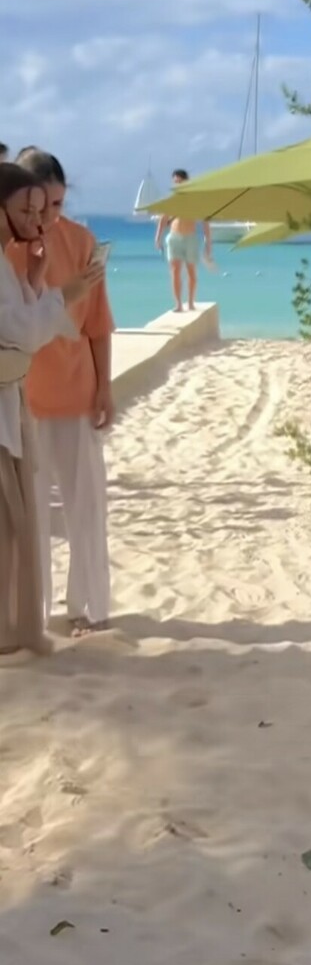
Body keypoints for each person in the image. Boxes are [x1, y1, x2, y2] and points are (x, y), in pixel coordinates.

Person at [8, 150, 115, 635]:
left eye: (57, 204)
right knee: (27, 519)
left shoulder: (82, 241)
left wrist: (105, 387)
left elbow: (97, 323)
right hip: (21, 401)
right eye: (40, 206)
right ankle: (31, 610)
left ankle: (88, 606)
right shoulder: (7, 249)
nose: (48, 216)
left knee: (85, 510)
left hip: (76, 394)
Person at [155, 169, 212, 313]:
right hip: (174, 237)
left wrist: (208, 242)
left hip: (190, 238)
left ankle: (191, 302)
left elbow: (205, 221)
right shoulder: (171, 200)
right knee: (175, 271)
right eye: (175, 182)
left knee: (191, 272)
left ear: (186, 182)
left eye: (180, 181)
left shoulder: (194, 200)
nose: (177, 184)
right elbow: (163, 219)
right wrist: (158, 238)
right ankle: (178, 304)